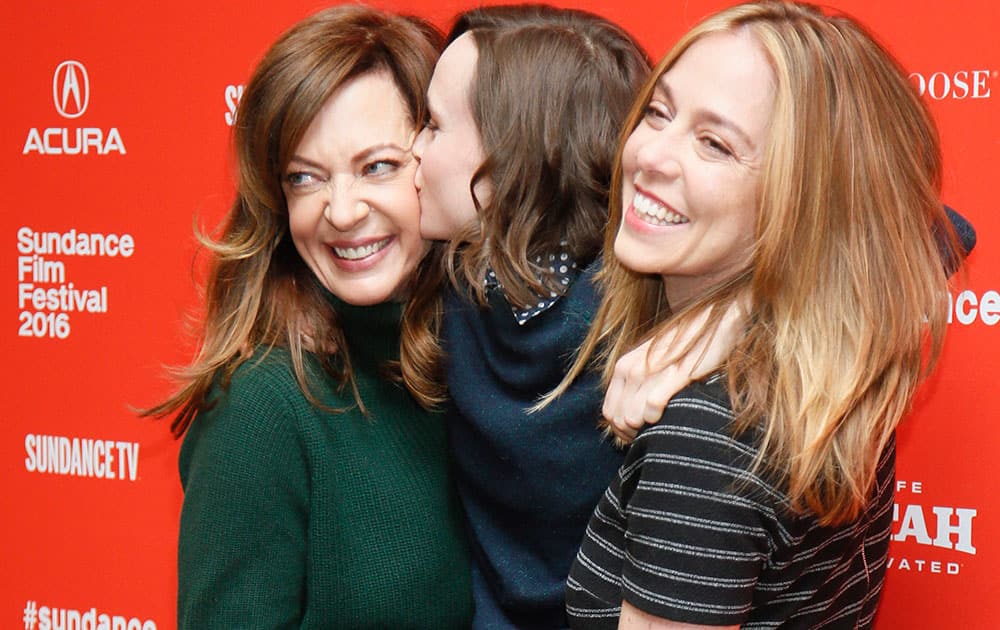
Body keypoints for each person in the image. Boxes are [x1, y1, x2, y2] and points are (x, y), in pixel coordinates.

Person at [554, 2, 962, 627]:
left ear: (806, 200)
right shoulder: (826, 365)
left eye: (715, 144)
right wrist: (747, 307)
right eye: (658, 112)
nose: (651, 156)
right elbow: (922, 240)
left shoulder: (710, 435)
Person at [142, 7, 472, 628]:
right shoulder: (261, 404)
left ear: (439, 157)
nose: (341, 211)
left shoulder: (485, 360)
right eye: (305, 178)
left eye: (378, 166)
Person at [400, 6, 652, 627]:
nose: (412, 150)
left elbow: (922, 236)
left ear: (513, 162)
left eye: (432, 126)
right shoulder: (450, 276)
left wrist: (732, 319)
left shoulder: (645, 296)